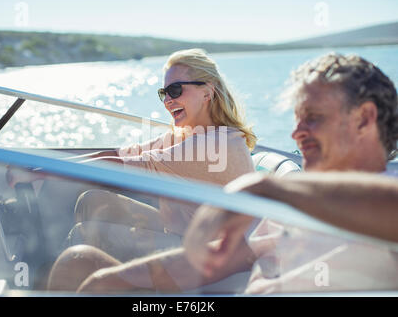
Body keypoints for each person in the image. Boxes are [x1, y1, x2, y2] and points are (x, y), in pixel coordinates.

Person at [46, 52, 398, 294]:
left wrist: (271, 190)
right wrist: (116, 279)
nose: (296, 133)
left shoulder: (383, 195)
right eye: (297, 120)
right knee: (82, 268)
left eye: (314, 118)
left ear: (364, 119)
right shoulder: (295, 208)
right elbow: (217, 260)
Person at [31, 48, 257, 290]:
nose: (168, 100)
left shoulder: (214, 144)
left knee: (76, 257)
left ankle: (87, 279)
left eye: (176, 90)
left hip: (208, 261)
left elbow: (123, 167)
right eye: (164, 93)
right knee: (94, 201)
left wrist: (49, 173)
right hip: (187, 234)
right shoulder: (188, 135)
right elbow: (122, 154)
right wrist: (50, 166)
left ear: (207, 91)